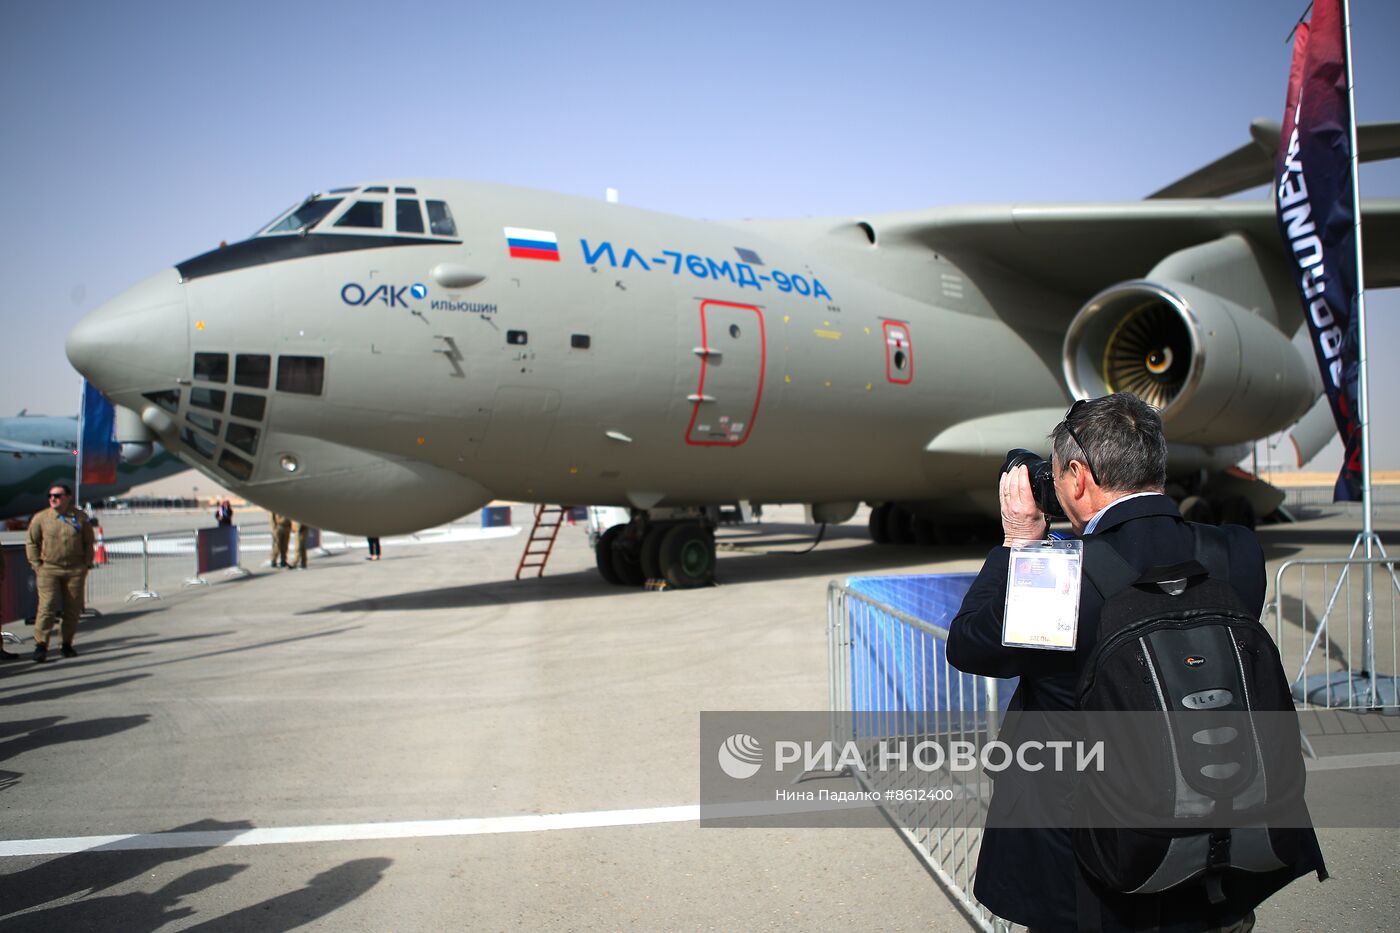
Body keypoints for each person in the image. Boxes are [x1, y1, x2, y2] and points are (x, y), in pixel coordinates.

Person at [946, 393, 1323, 933]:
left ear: (1077, 478)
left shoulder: (1058, 578)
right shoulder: (1234, 553)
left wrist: (1017, 542)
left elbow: (968, 644)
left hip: (1086, 872)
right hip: (1213, 851)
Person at [25, 483, 95, 662]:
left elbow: (89, 542)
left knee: (72, 609)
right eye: (50, 496)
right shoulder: (41, 518)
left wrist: (86, 564)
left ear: (68, 497)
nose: (53, 499)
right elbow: (32, 542)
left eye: (57, 495)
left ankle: (66, 644)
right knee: (47, 607)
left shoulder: (80, 518)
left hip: (75, 569)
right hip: (49, 569)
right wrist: (37, 564)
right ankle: (41, 645)